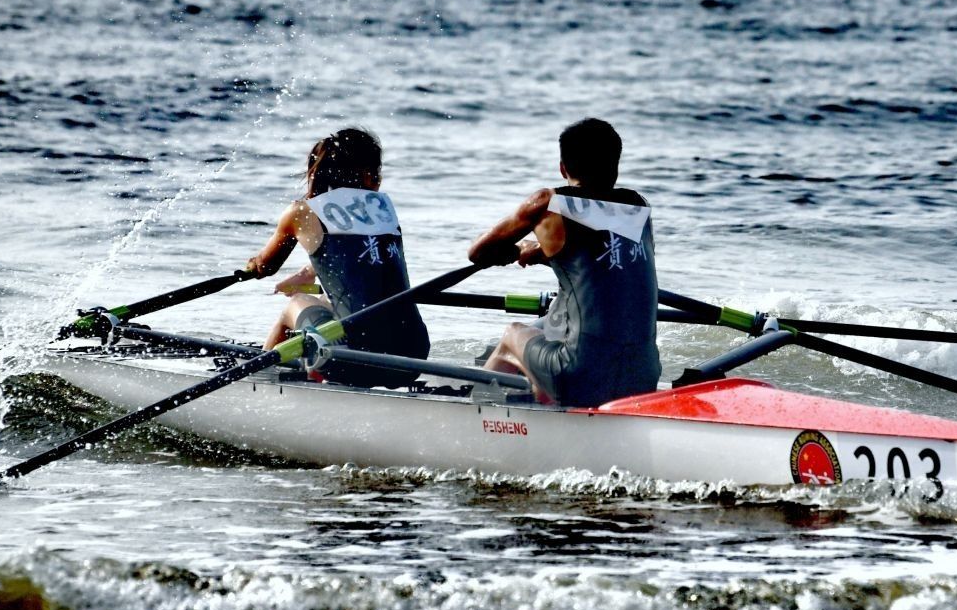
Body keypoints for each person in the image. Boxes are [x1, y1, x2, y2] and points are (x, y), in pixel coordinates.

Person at [468, 118, 661, 406]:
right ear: (616, 167)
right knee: (552, 323)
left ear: (563, 168)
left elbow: (479, 253)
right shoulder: (637, 206)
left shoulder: (547, 204)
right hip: (644, 378)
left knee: (513, 335)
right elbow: (604, 263)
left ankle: (474, 415)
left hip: (579, 376)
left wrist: (513, 251)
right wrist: (542, 253)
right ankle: (543, 400)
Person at [242, 127, 430, 383]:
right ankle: (308, 370)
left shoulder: (302, 212)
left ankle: (257, 381)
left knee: (295, 304)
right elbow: (360, 263)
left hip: (354, 360)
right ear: (369, 175)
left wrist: (251, 266)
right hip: (413, 356)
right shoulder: (383, 211)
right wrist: (307, 273)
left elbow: (266, 266)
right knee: (333, 300)